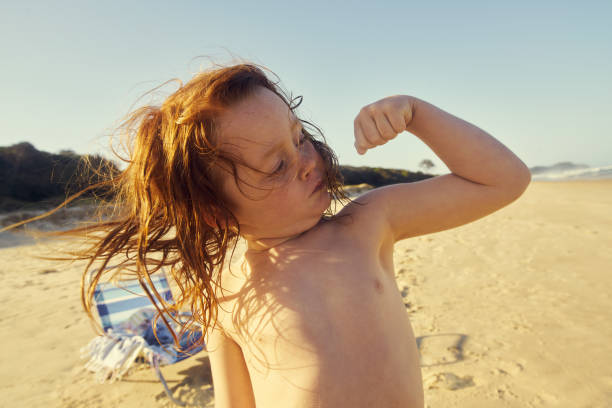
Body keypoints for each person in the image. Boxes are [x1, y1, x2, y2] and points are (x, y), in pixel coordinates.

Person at [2, 60, 531, 407]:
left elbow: (503, 180)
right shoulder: (224, 289)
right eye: (275, 165)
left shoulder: (367, 224)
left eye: (299, 137)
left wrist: (417, 113)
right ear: (212, 213)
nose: (305, 160)